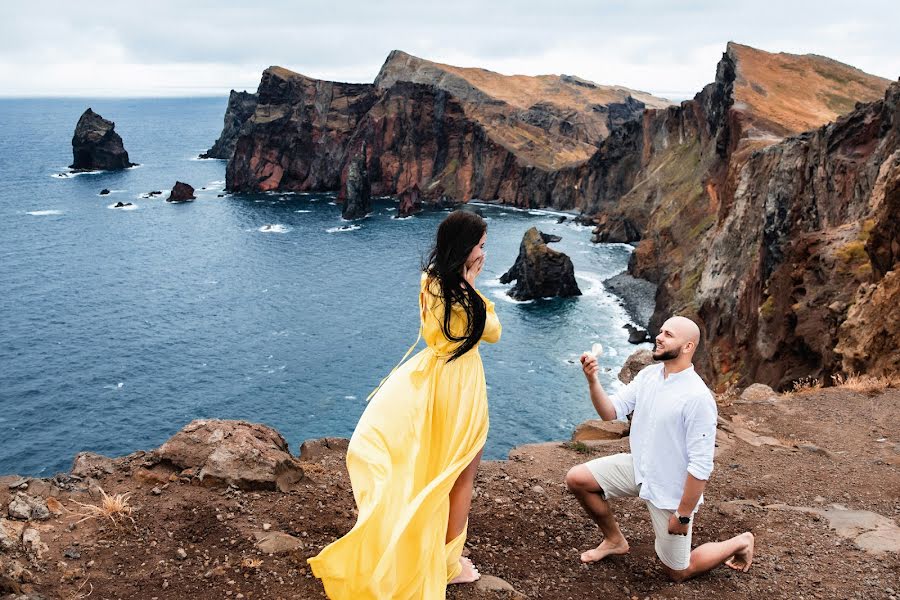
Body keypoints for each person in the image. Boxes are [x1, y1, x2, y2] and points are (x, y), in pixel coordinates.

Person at [308, 210, 501, 599]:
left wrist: (465, 281)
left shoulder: (429, 281)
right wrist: (472, 285)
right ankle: (449, 564)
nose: (485, 251)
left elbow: (436, 333)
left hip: (430, 380)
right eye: (481, 245)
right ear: (466, 249)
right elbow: (492, 333)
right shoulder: (466, 293)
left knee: (430, 466)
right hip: (460, 387)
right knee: (461, 478)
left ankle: (431, 546)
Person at [565, 316, 754, 582]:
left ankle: (740, 542)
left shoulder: (697, 397)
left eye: (668, 334)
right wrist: (593, 380)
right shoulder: (649, 376)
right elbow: (610, 412)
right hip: (640, 468)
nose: (659, 337)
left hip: (670, 490)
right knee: (578, 479)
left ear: (688, 347)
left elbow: (701, 467)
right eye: (661, 331)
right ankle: (614, 540)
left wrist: (683, 515)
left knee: (678, 571)